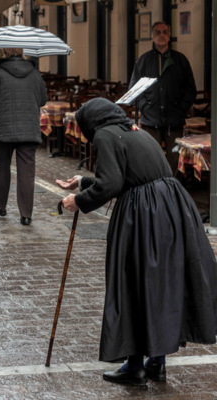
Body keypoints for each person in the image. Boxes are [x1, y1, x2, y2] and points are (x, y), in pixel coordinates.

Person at [56, 98, 217, 386]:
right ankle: (156, 363)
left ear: (91, 123)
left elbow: (112, 184)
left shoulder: (105, 135)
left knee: (133, 282)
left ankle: (134, 366)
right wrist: (82, 182)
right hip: (172, 209)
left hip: (142, 216)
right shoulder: (135, 131)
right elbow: (127, 175)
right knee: (160, 284)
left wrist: (78, 201)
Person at [0, 48, 47, 226]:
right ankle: (26, 214)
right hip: (28, 128)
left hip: (4, 127)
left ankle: (0, 205)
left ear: (4, 51)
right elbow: (43, 98)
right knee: (27, 173)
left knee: (2, 168)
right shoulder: (34, 72)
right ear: (22, 52)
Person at [129, 21, 197, 175]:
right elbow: (134, 90)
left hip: (174, 121)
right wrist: (146, 107)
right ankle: (153, 190)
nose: (162, 35)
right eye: (158, 32)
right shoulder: (143, 61)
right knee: (150, 158)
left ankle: (171, 191)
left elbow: (191, 89)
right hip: (150, 122)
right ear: (152, 37)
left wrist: (180, 108)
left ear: (169, 36)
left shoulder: (180, 60)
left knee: (175, 159)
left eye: (165, 32)